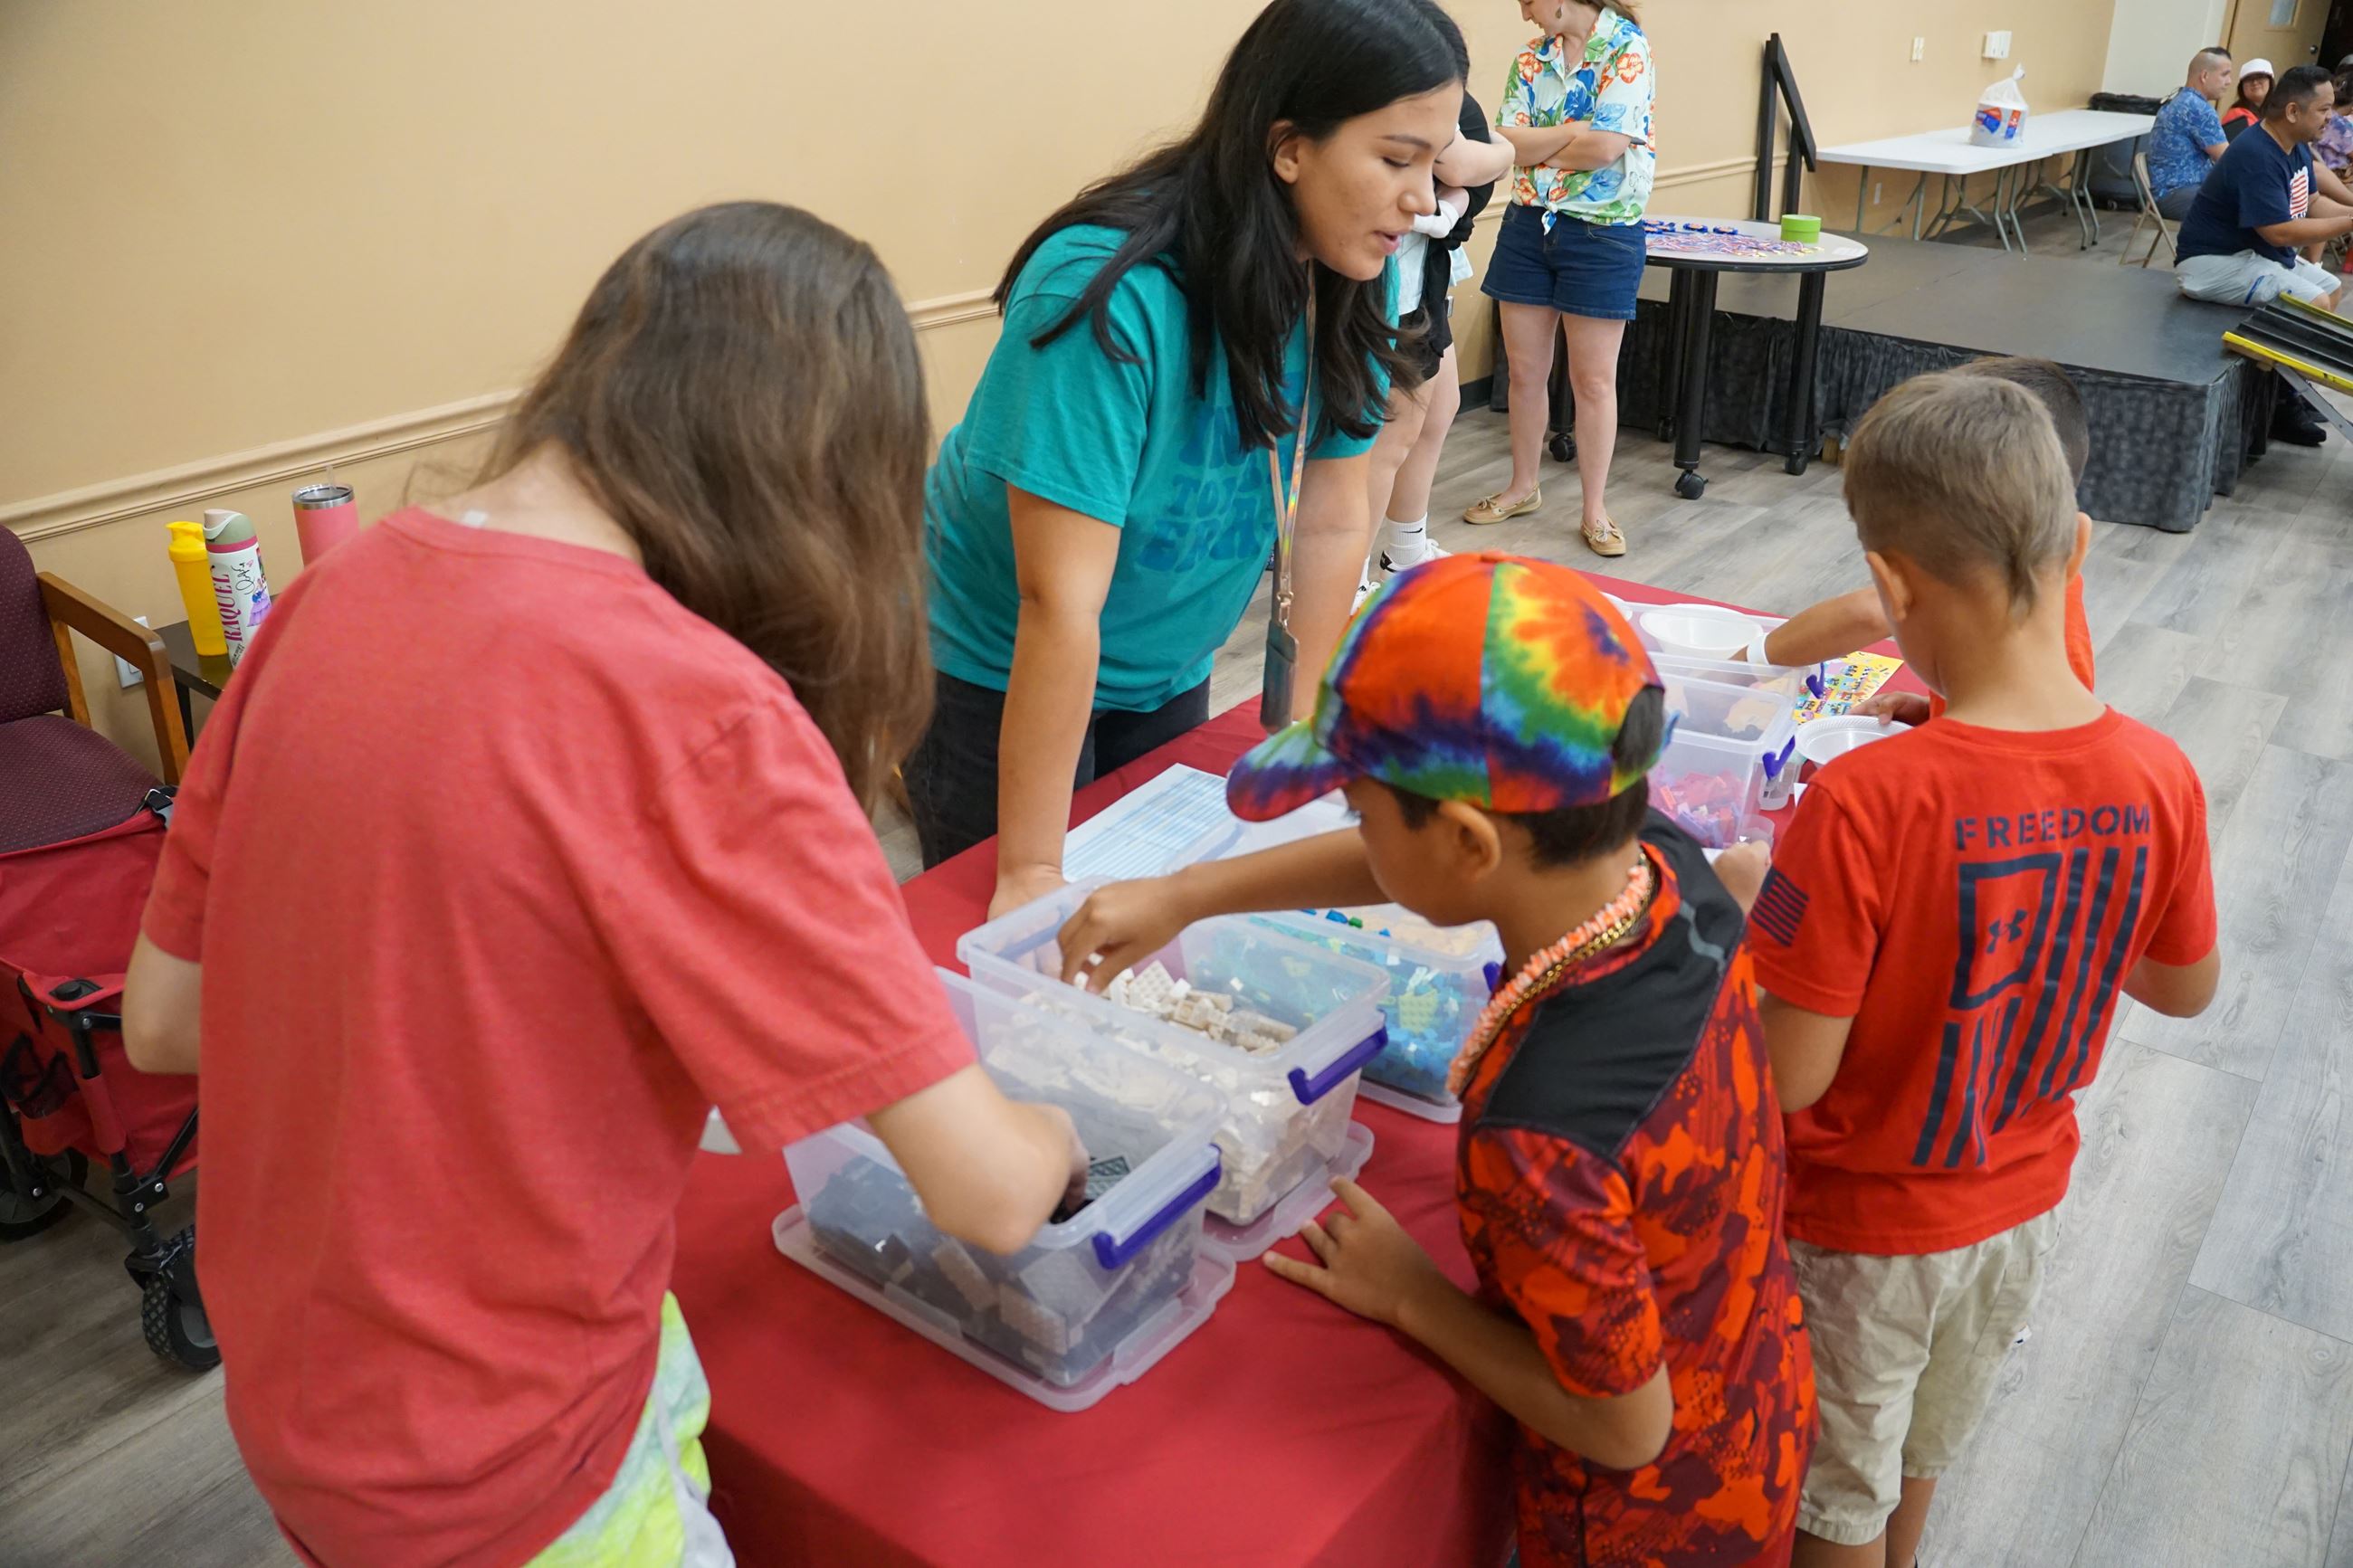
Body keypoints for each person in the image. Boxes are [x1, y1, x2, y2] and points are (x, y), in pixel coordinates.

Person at [119, 204, 1091, 1568]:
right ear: (824, 471)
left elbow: (166, 1021)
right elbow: (987, 1197)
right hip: (513, 1471)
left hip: (306, 1410)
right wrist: (1052, 1138)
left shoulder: (336, 593)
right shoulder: (700, 711)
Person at [1056, 556, 1817, 1568]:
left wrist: (1413, 1295)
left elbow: (1625, 1426)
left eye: (1358, 810)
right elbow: (1414, 856)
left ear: (1464, 840)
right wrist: (1188, 893)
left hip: (1642, 1529)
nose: (1357, 833)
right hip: (1758, 1380)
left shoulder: (1541, 1134)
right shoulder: (1653, 856)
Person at [1715, 372, 2220, 1568]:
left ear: (1889, 589)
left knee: (1832, 1486)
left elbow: (1790, 1076)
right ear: (2080, 542)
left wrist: (1748, 904)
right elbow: (2182, 984)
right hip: (2018, 1209)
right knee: (1924, 1442)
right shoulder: (2161, 776)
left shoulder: (1860, 802)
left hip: (1858, 1235)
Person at [907, 0, 1466, 913]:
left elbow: (1327, 520)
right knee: (1011, 920)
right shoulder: (1105, 291)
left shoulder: (1346, 277)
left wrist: (1305, 742)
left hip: (1165, 653)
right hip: (998, 660)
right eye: (1395, 160)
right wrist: (1029, 870)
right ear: (1288, 147)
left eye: (1433, 165)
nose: (1422, 198)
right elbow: (1058, 599)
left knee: (1140, 903)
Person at [1762, 357, 2097, 722]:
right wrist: (1934, 713)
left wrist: (1744, 662)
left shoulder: (1964, 576)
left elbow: (1869, 611)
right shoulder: (2050, 578)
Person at [1467, 0, 1658, 559]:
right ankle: (1522, 487)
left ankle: (1594, 511)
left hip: (1602, 232)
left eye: (1526, 0)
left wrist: (1547, 141)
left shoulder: (1628, 48)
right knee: (1524, 371)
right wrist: (1576, 131)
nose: (1522, 11)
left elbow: (1607, 149)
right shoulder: (1530, 59)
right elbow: (1506, 146)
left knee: (1593, 381)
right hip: (1528, 225)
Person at [1362, 49, 1513, 582]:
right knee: (1388, 437)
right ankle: (1348, 579)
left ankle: (1403, 547)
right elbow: (1459, 167)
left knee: (1440, 404)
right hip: (1388, 292)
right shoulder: (1387, 87)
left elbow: (1453, 176)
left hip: (1422, 281)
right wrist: (1504, 150)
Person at [2177, 63, 2353, 313]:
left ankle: (2293, 347)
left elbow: (2313, 203)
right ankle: (2272, 349)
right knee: (2315, 301)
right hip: (2210, 262)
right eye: (2324, 109)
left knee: (2332, 288)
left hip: (2253, 254)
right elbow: (2279, 233)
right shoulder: (2257, 154)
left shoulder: (2297, 144)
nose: (2330, 118)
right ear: (2293, 112)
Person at [2147, 47, 2234, 221]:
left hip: (2167, 193)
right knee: (2252, 208)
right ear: (2204, 76)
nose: (2229, 81)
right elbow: (2229, 160)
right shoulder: (2198, 109)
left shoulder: (2180, 100)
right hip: (2178, 195)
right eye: (2225, 74)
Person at [2223, 58, 2273, 138]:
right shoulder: (2237, 115)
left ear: (2270, 81)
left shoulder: (2277, 114)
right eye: (2249, 79)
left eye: (2260, 76)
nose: (2255, 82)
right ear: (2241, 87)